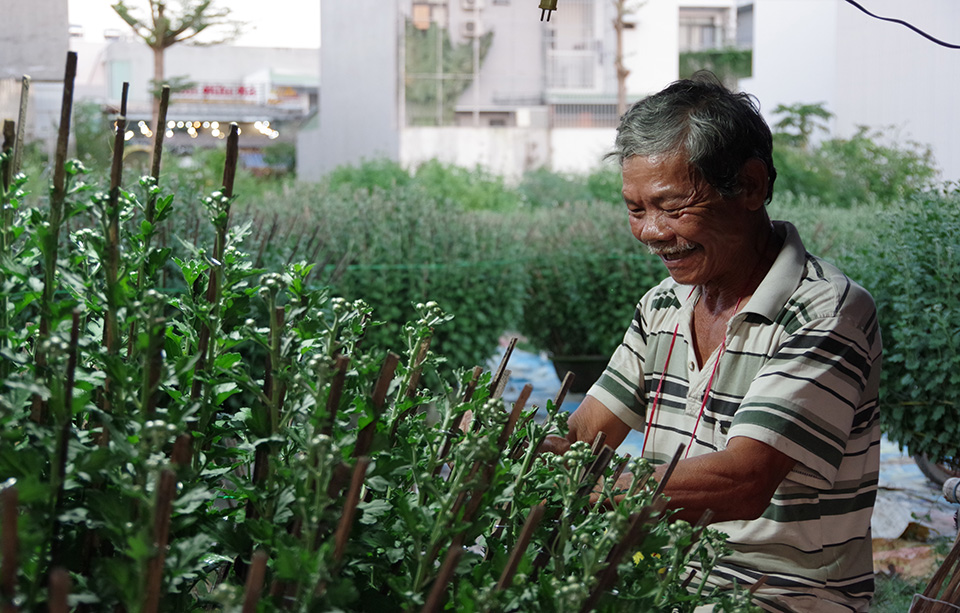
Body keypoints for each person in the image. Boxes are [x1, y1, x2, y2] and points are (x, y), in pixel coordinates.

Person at [545, 77, 882, 612]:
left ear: (750, 186)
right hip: (664, 575)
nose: (651, 232)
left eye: (672, 207)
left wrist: (588, 493)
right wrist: (511, 449)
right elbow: (587, 430)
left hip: (778, 596)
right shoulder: (663, 306)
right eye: (636, 209)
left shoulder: (825, 311)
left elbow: (743, 481)